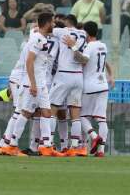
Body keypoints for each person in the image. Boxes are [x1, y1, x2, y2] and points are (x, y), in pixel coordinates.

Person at [0, 12, 65, 157]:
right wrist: (33, 84)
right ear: (47, 23)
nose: (54, 25)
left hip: (41, 83)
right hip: (32, 84)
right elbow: (29, 62)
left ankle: (46, 146)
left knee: (47, 112)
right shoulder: (38, 39)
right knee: (26, 113)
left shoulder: (39, 37)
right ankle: (12, 145)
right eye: (52, 22)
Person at [64, 21, 114, 157]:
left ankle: (94, 136)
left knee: (81, 116)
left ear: (86, 33)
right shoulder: (103, 46)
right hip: (103, 86)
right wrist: (111, 76)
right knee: (102, 119)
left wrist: (73, 47)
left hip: (90, 86)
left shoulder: (89, 46)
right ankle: (101, 151)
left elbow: (83, 60)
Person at [50, 15, 88, 156]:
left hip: (64, 74)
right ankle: (75, 147)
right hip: (78, 76)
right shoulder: (83, 33)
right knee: (75, 114)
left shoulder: (62, 31)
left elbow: (46, 29)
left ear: (66, 22)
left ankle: (48, 143)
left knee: (52, 109)